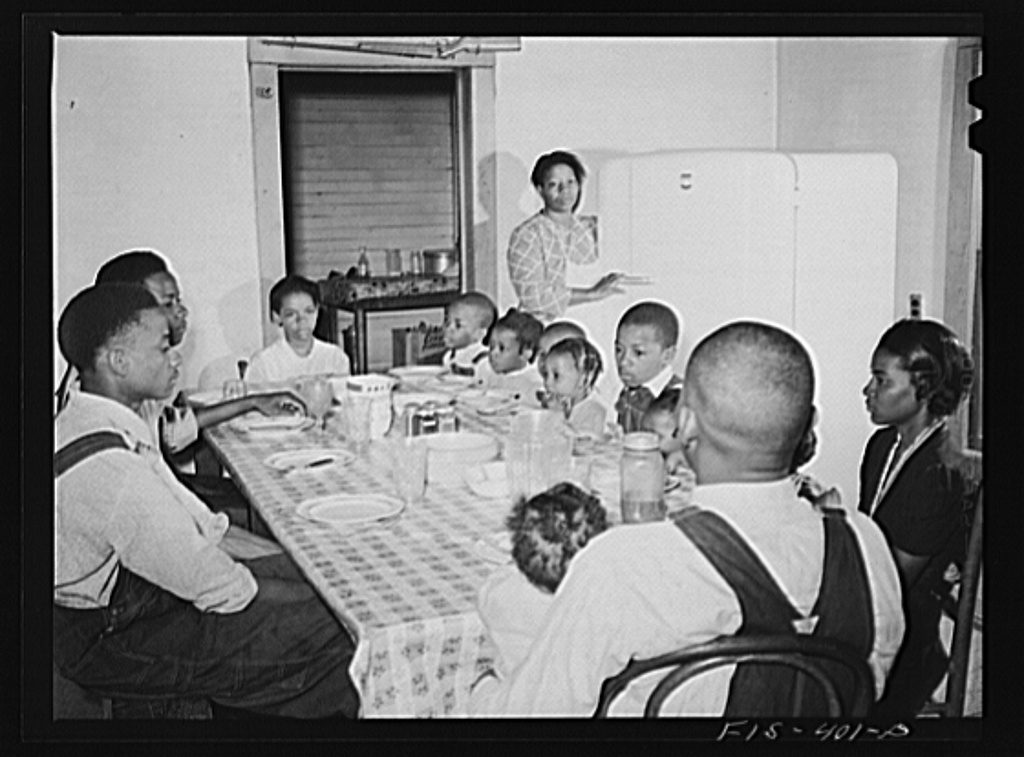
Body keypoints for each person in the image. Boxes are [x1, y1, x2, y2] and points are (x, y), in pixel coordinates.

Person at [470, 320, 905, 717]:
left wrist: (481, 687)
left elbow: (532, 717)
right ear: (806, 424)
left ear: (685, 425)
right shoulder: (865, 542)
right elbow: (870, 678)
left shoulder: (625, 562)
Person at [54, 283, 360, 718]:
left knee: (327, 585)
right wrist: (310, 596)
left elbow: (196, 521)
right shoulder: (113, 470)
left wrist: (295, 566)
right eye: (163, 348)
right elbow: (225, 591)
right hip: (108, 639)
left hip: (137, 593)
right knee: (338, 621)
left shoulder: (100, 414)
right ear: (118, 361)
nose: (175, 357)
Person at [55, 249, 304, 530]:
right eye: (168, 303)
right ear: (133, 309)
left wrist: (252, 402)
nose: (181, 312)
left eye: (178, 301)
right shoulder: (103, 407)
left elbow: (171, 431)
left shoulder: (124, 381)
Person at [858, 318, 975, 719]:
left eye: (881, 380)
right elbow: (870, 541)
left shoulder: (939, 473)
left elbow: (892, 580)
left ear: (923, 388)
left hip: (911, 639)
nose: (868, 391)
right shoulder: (882, 444)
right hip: (878, 614)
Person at [477, 483, 609, 677]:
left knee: (483, 682)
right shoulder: (600, 605)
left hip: (515, 698)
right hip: (583, 700)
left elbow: (493, 585)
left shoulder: (498, 592)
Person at [506, 150, 625, 322]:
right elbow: (531, 296)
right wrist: (590, 294)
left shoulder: (593, 226)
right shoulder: (527, 235)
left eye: (571, 182)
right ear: (540, 190)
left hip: (598, 322)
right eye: (554, 184)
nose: (565, 190)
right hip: (550, 328)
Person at [247, 274, 351, 383]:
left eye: (309, 311)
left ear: (317, 312)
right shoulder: (263, 364)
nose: (302, 319)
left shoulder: (335, 357)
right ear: (277, 317)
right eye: (291, 314)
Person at [613, 300, 685, 434]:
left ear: (667, 356)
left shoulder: (679, 401)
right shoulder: (629, 392)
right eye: (619, 350)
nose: (623, 362)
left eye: (638, 352)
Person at [538, 337, 607, 439]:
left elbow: (583, 444)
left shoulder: (594, 410)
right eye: (546, 374)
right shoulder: (564, 401)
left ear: (582, 379)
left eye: (556, 375)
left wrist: (556, 415)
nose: (547, 382)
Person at [476, 308, 545, 400]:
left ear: (525, 353)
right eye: (491, 346)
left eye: (502, 348)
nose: (493, 353)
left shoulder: (532, 382)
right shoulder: (485, 370)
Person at [440, 290, 497, 378]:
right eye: (447, 322)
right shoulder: (448, 357)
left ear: (479, 333)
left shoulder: (485, 361)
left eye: (458, 325)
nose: (449, 329)